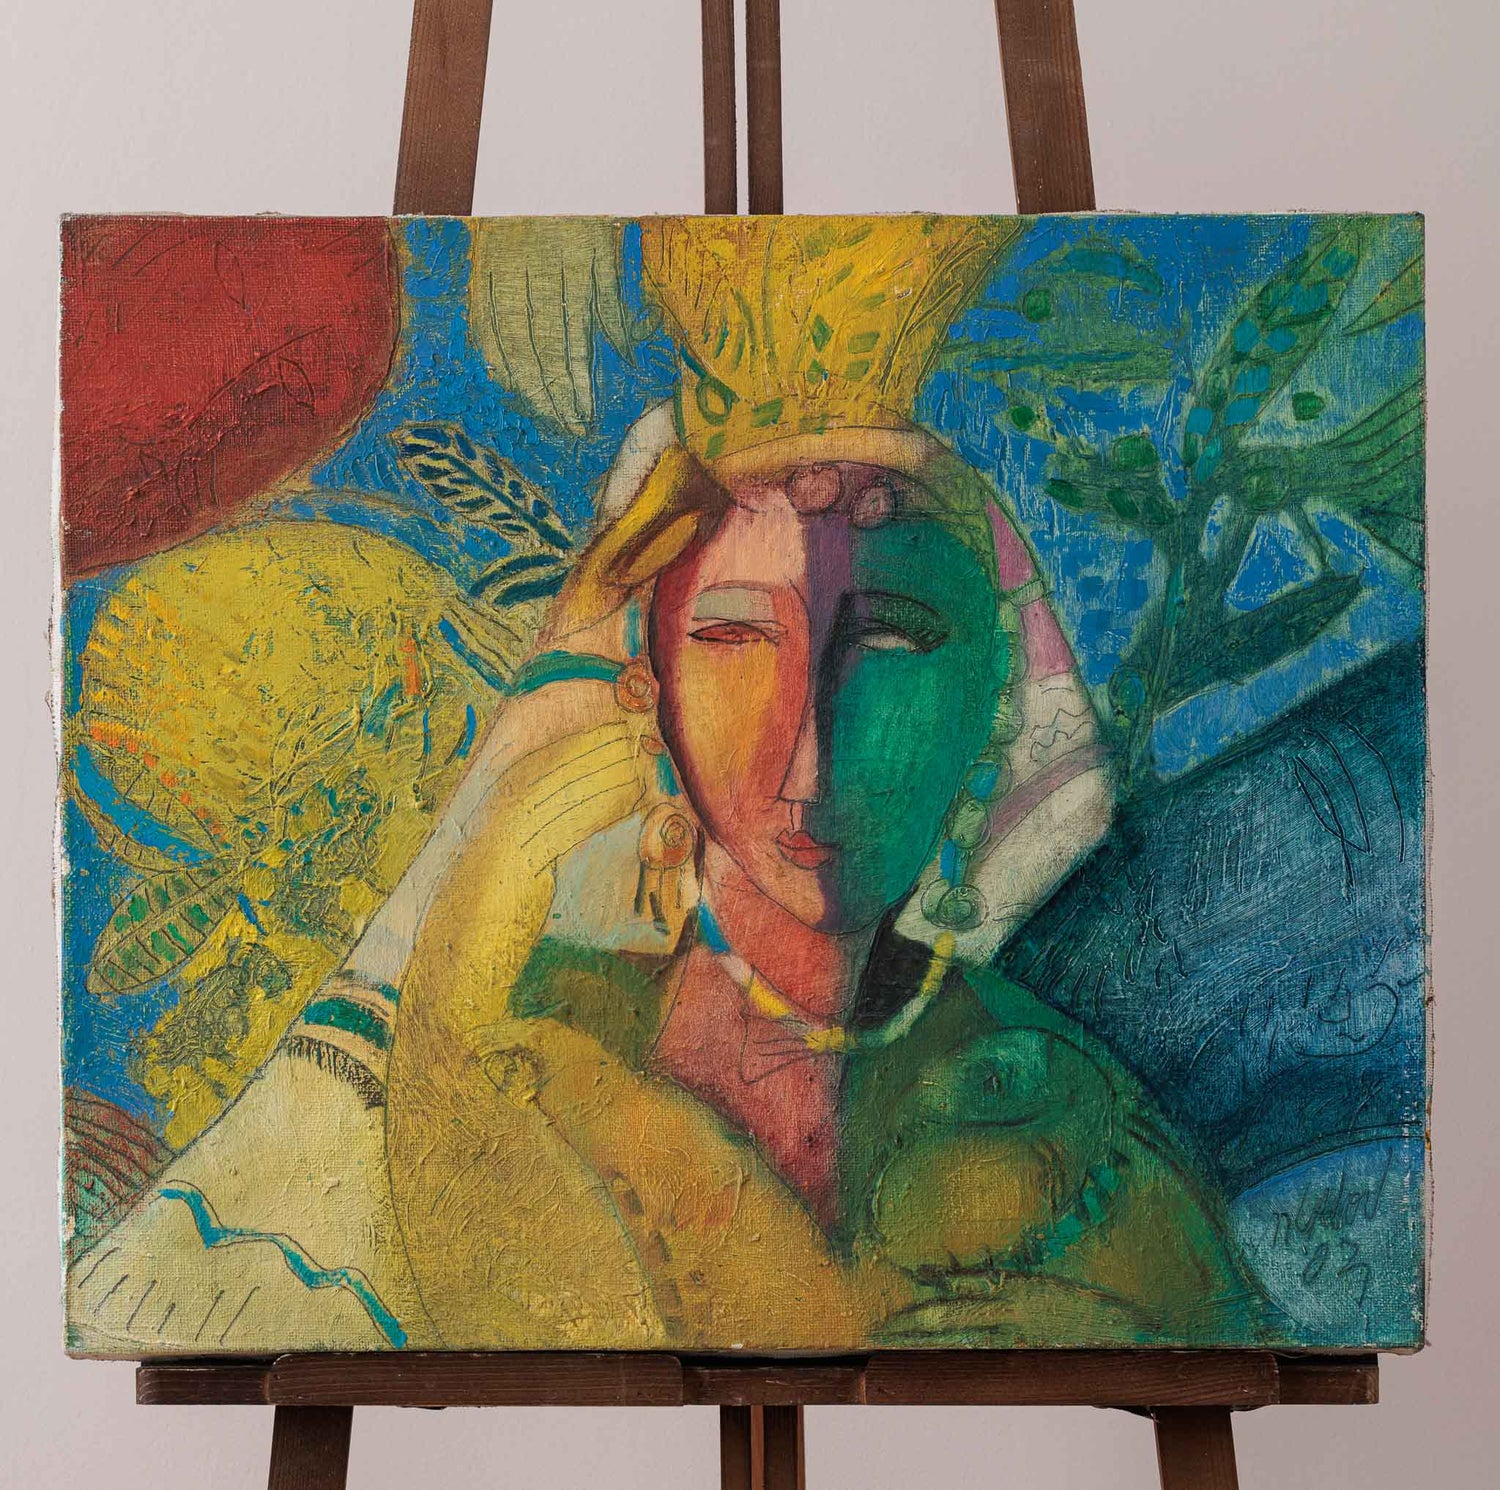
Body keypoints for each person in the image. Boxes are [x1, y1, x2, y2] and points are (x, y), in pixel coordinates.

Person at [67, 217, 1265, 1354]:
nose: (810, 747)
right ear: (647, 691)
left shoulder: (1065, 1113)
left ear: (996, 703)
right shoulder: (521, 1038)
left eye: (891, 638)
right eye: (735, 637)